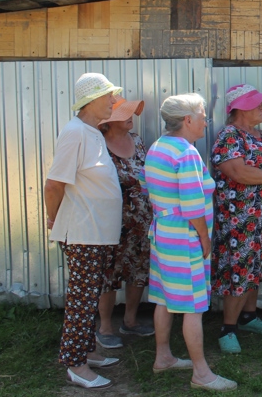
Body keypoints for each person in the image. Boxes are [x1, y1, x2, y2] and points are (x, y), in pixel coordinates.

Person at [144, 94, 236, 392]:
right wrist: (204, 237)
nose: (205, 121)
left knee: (163, 297)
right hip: (184, 236)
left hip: (162, 232)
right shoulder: (186, 153)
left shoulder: (158, 146)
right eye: (201, 115)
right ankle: (201, 373)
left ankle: (163, 358)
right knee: (193, 305)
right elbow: (193, 205)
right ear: (187, 120)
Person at [43, 72, 124, 390]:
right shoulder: (75, 132)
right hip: (82, 233)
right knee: (81, 299)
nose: (114, 102)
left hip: (96, 233)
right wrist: (54, 219)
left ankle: (86, 352)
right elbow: (53, 184)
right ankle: (75, 365)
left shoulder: (91, 132)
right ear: (91, 100)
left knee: (89, 297)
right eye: (109, 96)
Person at [210, 84, 262, 355]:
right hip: (241, 220)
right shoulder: (229, 136)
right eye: (258, 103)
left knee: (257, 267)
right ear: (241, 108)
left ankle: (249, 317)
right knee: (241, 268)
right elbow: (238, 172)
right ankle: (228, 328)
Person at [95, 96, 154, 349]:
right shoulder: (97, 144)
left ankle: (130, 320)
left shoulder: (138, 141)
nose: (131, 117)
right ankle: (105, 326)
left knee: (138, 271)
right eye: (124, 114)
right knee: (108, 273)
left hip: (141, 221)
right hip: (110, 222)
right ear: (108, 121)